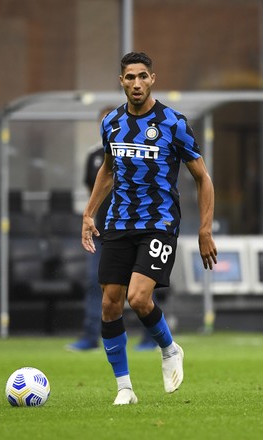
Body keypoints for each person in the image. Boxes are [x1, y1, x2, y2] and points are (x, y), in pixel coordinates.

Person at [81, 52, 217, 405]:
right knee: (110, 304)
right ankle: (125, 388)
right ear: (122, 81)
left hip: (159, 223)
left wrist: (205, 230)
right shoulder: (111, 122)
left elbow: (203, 178)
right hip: (118, 224)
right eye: (130, 77)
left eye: (143, 76)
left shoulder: (173, 123)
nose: (137, 83)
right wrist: (89, 214)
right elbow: (108, 170)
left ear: (153, 79)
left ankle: (170, 349)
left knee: (138, 297)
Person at [67, 107, 158, 351]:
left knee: (143, 285)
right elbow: (94, 189)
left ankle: (151, 337)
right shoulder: (94, 155)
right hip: (102, 232)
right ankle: (90, 336)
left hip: (136, 228)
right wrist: (91, 217)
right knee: (95, 282)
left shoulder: (138, 151)